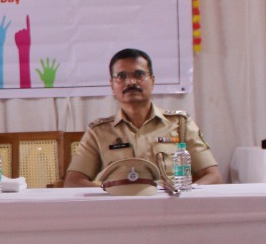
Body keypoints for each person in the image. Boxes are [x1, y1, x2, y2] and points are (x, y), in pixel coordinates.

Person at [65, 49, 221, 187]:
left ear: (152, 81)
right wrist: (109, 193)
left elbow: (213, 176)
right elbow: (73, 181)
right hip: (118, 206)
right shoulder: (98, 132)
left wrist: (186, 193)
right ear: (112, 85)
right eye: (121, 76)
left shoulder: (180, 124)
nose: (131, 82)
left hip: (169, 204)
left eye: (139, 75)